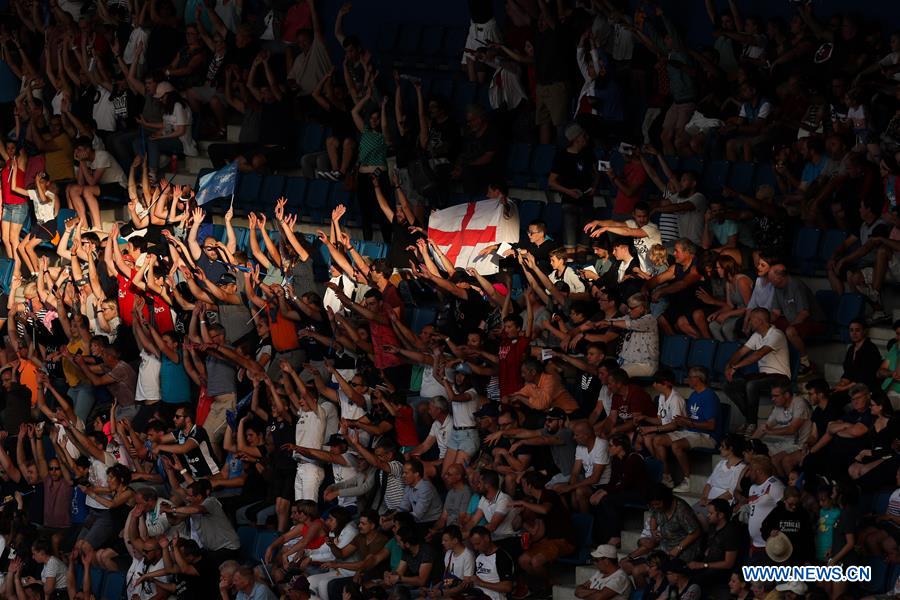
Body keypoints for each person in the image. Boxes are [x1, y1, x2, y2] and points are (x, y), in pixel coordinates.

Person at [724, 308, 792, 434]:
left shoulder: (776, 334)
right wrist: (729, 365)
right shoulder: (756, 336)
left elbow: (758, 355)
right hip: (763, 376)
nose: (749, 322)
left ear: (760, 321)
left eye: (751, 320)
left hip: (780, 377)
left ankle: (752, 423)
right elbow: (740, 352)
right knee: (729, 386)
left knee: (751, 385)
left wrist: (735, 367)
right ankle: (750, 419)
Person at [466, 526, 515, 600]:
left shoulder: (501, 557)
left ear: (487, 538)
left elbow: (507, 587)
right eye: (473, 545)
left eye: (478, 543)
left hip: (493, 596)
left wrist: (481, 583)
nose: (475, 548)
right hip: (476, 594)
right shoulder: (479, 556)